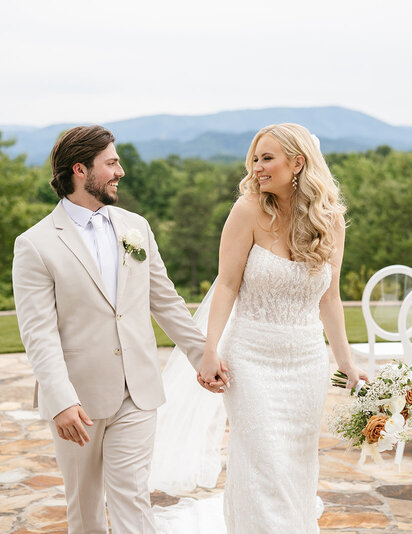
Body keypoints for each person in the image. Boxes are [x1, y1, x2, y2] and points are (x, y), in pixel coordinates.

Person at [11, 125, 228, 534]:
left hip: (138, 392)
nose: (121, 171)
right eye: (111, 163)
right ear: (80, 169)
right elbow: (38, 333)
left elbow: (164, 300)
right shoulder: (35, 244)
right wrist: (60, 400)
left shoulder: (136, 227)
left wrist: (203, 355)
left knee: (131, 496)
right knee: (86, 509)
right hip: (77, 401)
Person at [153, 123, 368, 533]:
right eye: (254, 158)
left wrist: (347, 363)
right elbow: (227, 284)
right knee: (262, 463)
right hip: (250, 358)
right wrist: (209, 349)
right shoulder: (247, 211)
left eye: (267, 158)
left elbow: (330, 299)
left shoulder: (330, 220)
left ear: (298, 162)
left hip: (306, 363)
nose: (257, 167)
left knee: (297, 464)